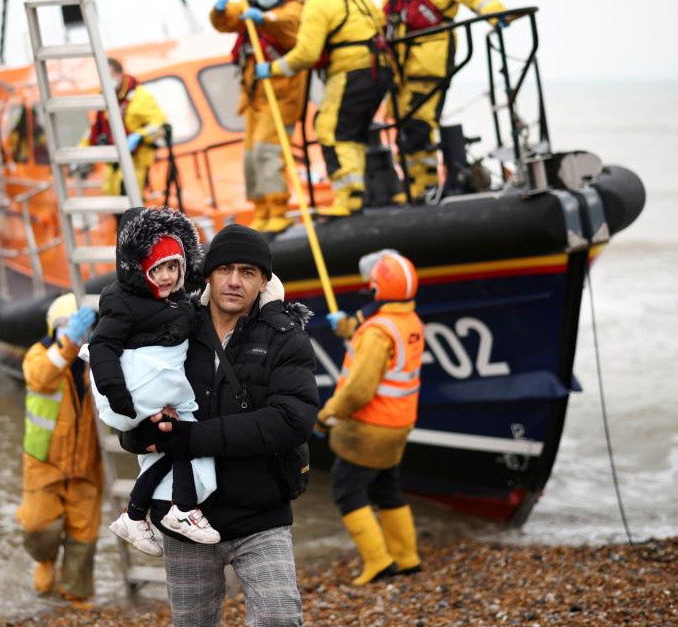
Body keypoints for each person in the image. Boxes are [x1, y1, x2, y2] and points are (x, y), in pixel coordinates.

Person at [122, 224, 318, 626]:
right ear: (207, 274)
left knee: (281, 619)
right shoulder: (169, 330)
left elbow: (291, 420)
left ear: (264, 280)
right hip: (183, 521)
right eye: (225, 269)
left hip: (260, 516)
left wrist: (192, 439)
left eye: (248, 272)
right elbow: (131, 418)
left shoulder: (286, 337)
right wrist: (143, 433)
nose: (234, 281)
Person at [85, 207, 220, 555]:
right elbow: (103, 345)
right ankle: (184, 508)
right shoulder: (121, 302)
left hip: (166, 396)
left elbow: (192, 324)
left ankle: (135, 513)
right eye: (156, 268)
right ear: (139, 269)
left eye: (172, 267)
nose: (164, 276)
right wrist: (117, 393)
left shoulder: (181, 304)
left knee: (170, 449)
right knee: (185, 441)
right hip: (141, 393)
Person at [320, 250, 424, 585]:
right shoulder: (409, 323)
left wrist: (327, 414)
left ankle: (378, 561)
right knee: (387, 488)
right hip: (398, 426)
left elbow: (358, 390)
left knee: (346, 491)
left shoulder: (378, 332)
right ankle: (407, 558)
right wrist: (349, 328)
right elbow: (375, 333)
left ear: (379, 288)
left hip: (368, 428)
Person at [256, 0, 392, 218]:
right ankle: (355, 194)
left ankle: (348, 198)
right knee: (353, 133)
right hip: (379, 68)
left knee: (331, 130)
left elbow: (306, 55)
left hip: (352, 70)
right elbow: (382, 23)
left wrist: (272, 68)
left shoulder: (318, 5)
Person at [17, 293, 103, 603]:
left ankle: (76, 595)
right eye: (67, 326)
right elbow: (40, 378)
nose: (76, 334)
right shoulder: (39, 355)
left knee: (84, 535)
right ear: (55, 328)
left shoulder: (92, 360)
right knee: (39, 526)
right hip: (45, 462)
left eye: (80, 327)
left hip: (86, 462)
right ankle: (44, 560)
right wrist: (67, 344)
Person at [382, 0, 508, 202]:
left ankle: (424, 188)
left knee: (418, 126)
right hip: (404, 71)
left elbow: (479, 2)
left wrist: (497, 14)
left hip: (428, 65)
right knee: (407, 129)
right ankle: (416, 186)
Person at [210, 0, 307, 234]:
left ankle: (277, 210)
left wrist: (265, 19)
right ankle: (261, 209)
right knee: (251, 157)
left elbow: (288, 25)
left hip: (281, 97)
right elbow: (224, 22)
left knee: (267, 152)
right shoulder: (247, 7)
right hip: (255, 99)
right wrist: (220, 9)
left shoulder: (292, 9)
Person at [81, 58, 167, 197]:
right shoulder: (105, 98)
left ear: (120, 74)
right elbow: (94, 130)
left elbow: (159, 123)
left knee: (130, 195)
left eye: (110, 76)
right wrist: (82, 152)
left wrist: (139, 135)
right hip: (113, 159)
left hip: (136, 159)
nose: (106, 80)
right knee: (110, 192)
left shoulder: (140, 97)